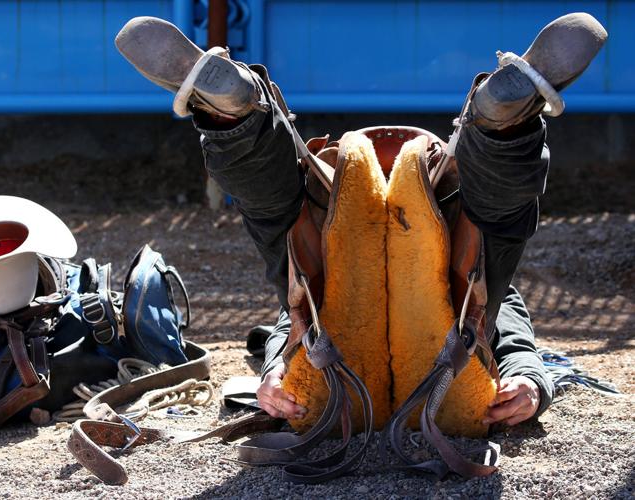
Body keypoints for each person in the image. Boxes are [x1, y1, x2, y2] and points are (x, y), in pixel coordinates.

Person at [114, 13, 607, 427]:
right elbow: (514, 328)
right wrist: (529, 378)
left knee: (291, 244)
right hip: (434, 339)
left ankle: (235, 120)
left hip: (352, 335)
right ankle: (505, 127)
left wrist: (275, 374)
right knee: (488, 239)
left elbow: (291, 319)